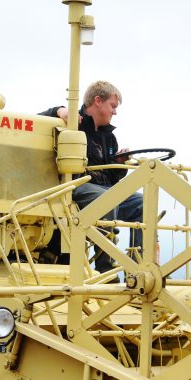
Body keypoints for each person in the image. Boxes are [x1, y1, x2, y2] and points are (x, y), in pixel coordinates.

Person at [40, 81, 143, 274]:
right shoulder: (72, 123)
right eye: (113, 106)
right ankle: (106, 269)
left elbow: (112, 179)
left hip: (103, 189)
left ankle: (139, 269)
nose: (115, 112)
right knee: (107, 199)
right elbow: (37, 119)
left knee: (142, 202)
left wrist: (119, 163)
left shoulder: (109, 138)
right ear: (97, 101)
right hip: (76, 188)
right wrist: (59, 110)